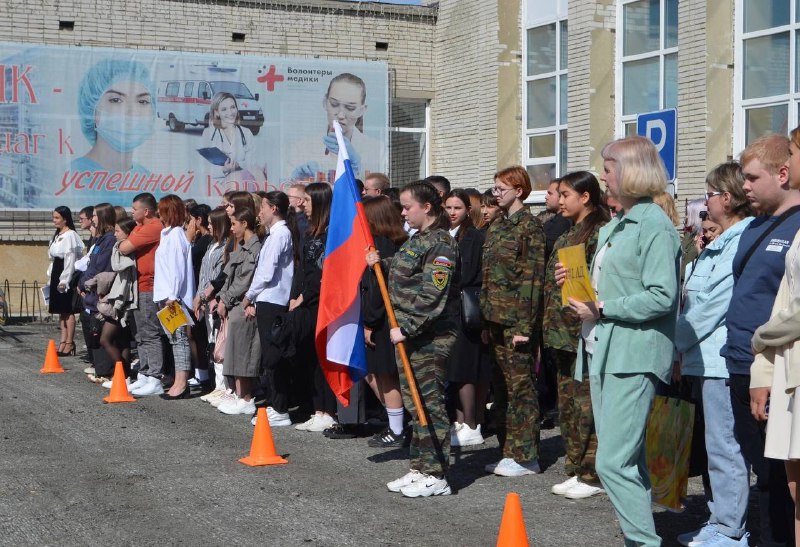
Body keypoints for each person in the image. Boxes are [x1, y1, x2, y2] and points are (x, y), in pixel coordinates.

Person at [563, 136, 680, 546]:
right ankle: (639, 539)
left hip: (634, 354)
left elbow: (662, 295)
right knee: (628, 460)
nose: (603, 176)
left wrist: (604, 306)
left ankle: (644, 543)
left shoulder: (653, 226)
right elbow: (610, 287)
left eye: (608, 167)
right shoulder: (618, 223)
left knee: (611, 462)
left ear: (631, 170)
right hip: (604, 350)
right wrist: (577, 285)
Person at [723, 133, 800, 547]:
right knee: (762, 473)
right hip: (739, 363)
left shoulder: (799, 226)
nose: (744, 187)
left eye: (751, 178)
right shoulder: (755, 225)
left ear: (783, 173)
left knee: (780, 478)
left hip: (773, 371)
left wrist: (764, 366)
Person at [673, 162, 754, 547]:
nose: (704, 202)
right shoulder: (718, 244)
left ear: (726, 197)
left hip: (719, 361)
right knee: (713, 446)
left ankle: (730, 528)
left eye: (709, 193)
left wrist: (671, 344)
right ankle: (719, 518)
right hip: (702, 360)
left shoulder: (737, 243)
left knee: (725, 446)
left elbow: (709, 309)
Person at [365, 180, 460, 498]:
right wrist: (382, 262)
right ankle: (420, 466)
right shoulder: (418, 240)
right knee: (413, 402)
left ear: (427, 207)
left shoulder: (442, 244)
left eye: (407, 206)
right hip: (409, 337)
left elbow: (435, 292)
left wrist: (407, 327)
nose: (403, 212)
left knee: (429, 405)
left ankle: (437, 473)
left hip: (429, 338)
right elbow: (406, 270)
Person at [544, 171, 609, 500]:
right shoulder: (570, 232)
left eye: (566, 194)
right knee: (568, 405)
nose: (561, 200)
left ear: (585, 197)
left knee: (586, 405)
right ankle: (576, 466)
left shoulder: (598, 231)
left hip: (584, 330)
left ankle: (592, 472)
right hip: (562, 331)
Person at [751, 127, 800, 546]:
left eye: (796, 151)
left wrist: (761, 335)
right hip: (789, 369)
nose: (790, 158)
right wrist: (762, 365)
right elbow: (785, 297)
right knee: (794, 487)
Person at [481, 166, 546, 477]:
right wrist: (484, 320)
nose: (496, 194)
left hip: (516, 322)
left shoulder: (530, 228)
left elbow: (531, 280)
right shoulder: (497, 227)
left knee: (521, 389)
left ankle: (526, 456)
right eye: (494, 189)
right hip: (494, 320)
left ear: (519, 191)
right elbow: (489, 278)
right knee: (502, 390)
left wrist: (525, 328)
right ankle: (508, 450)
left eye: (500, 189)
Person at [241, 192, 298, 427]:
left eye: (263, 207)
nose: (260, 212)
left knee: (274, 356)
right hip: (267, 300)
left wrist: (249, 295)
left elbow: (266, 272)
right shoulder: (274, 235)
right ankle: (276, 404)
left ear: (274, 208)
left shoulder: (280, 234)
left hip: (273, 300)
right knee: (270, 356)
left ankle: (280, 408)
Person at [360, 196, 409, 448]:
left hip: (382, 321)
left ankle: (397, 428)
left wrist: (369, 321)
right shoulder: (395, 243)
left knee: (384, 375)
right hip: (383, 320)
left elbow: (379, 288)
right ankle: (398, 423)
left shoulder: (383, 246)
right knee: (375, 373)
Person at [444, 189, 490, 447]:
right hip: (453, 311)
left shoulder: (472, 237)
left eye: (457, 208)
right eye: (448, 207)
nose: (452, 213)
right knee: (458, 369)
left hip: (466, 311)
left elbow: (470, 273)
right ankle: (462, 422)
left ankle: (472, 423)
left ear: (467, 210)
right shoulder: (450, 234)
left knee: (467, 369)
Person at [293, 183, 338, 432]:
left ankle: (328, 411)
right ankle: (317, 408)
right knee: (310, 357)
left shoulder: (331, 233)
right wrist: (297, 294)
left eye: (307, 201)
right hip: (307, 301)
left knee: (324, 357)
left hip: (323, 302)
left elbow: (326, 273)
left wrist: (306, 295)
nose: (302, 205)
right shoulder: (311, 231)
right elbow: (304, 268)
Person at [287, 73, 383, 181]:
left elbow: (376, 189)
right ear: (325, 103)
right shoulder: (300, 148)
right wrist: (296, 180)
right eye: (334, 104)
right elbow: (287, 189)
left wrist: (356, 167)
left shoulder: (376, 149)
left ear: (362, 110)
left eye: (350, 108)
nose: (341, 115)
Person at [215, 208, 262, 415]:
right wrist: (222, 298)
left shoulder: (255, 249)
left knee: (244, 353)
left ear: (244, 223)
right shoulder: (242, 248)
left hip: (244, 305)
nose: (231, 228)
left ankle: (246, 397)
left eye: (234, 224)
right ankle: (238, 394)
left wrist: (225, 299)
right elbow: (229, 277)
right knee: (234, 352)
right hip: (233, 305)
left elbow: (245, 281)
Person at [71, 59, 156, 175]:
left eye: (142, 101)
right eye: (116, 100)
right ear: (92, 112)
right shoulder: (68, 178)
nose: (132, 113)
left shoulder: (154, 184)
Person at [119, 193, 165, 397]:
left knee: (150, 333)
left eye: (134, 208)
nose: (131, 211)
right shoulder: (139, 227)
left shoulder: (153, 226)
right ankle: (145, 374)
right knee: (139, 334)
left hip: (149, 286)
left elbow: (125, 247)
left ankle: (155, 377)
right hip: (139, 286)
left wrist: (124, 242)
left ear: (146, 211)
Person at [153, 195, 195, 400]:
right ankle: (178, 381)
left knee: (180, 340)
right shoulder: (166, 234)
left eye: (162, 210)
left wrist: (172, 295)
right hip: (165, 295)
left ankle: (182, 382)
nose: (158, 214)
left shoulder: (177, 234)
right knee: (174, 339)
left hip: (174, 297)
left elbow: (177, 268)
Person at [78, 203, 118, 383]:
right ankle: (99, 367)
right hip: (89, 293)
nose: (92, 218)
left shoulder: (109, 240)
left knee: (101, 332)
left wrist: (86, 285)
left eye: (94, 215)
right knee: (92, 330)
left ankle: (107, 371)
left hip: (98, 293)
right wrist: (81, 284)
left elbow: (99, 268)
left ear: (102, 217)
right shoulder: (100, 240)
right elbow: (89, 265)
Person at [195, 209, 231, 404]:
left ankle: (224, 386)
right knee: (212, 341)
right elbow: (203, 274)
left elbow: (218, 275)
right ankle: (218, 385)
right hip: (204, 300)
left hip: (214, 301)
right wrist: (199, 296)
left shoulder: (225, 247)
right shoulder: (211, 245)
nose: (208, 226)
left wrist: (208, 297)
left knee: (220, 343)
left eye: (211, 223)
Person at [97, 216, 138, 385]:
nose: (114, 234)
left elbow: (119, 267)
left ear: (128, 233)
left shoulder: (126, 252)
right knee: (121, 341)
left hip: (122, 300)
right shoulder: (121, 249)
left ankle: (122, 373)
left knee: (105, 339)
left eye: (117, 231)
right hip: (120, 298)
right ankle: (122, 375)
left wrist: (119, 247)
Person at [201, 92, 267, 187]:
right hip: (218, 184)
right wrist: (224, 169)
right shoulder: (208, 134)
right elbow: (204, 169)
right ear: (217, 112)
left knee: (256, 172)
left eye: (233, 107)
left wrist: (236, 165)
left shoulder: (246, 133)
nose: (230, 112)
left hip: (242, 181)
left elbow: (251, 163)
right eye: (224, 109)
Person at [47, 206, 84, 357]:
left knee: (68, 310)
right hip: (56, 270)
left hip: (65, 274)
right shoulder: (57, 235)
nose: (54, 220)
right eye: (53, 217)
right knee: (61, 311)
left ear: (65, 219)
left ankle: (69, 342)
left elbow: (70, 259)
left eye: (57, 218)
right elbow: (52, 258)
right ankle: (62, 341)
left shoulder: (70, 235)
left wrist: (65, 280)